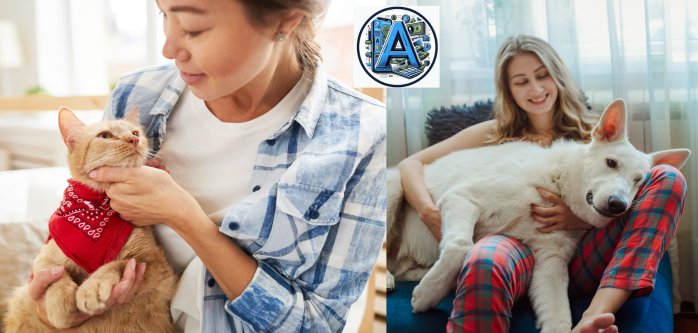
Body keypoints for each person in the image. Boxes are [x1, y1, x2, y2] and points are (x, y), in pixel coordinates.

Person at [27, 0, 386, 332]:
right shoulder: (137, 94)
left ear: (285, 20)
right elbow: (78, 235)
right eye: (164, 15)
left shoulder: (361, 136)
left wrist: (185, 217)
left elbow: (317, 325)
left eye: (193, 28)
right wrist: (54, 308)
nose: (169, 48)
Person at [397, 34, 686, 332]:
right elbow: (411, 164)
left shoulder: (597, 134)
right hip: (518, 245)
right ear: (508, 90)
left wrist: (578, 219)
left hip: (582, 254)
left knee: (668, 178)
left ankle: (594, 314)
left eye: (542, 75)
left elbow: (627, 188)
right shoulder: (494, 131)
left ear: (557, 76)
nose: (535, 89)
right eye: (521, 82)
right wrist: (429, 211)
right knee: (486, 259)